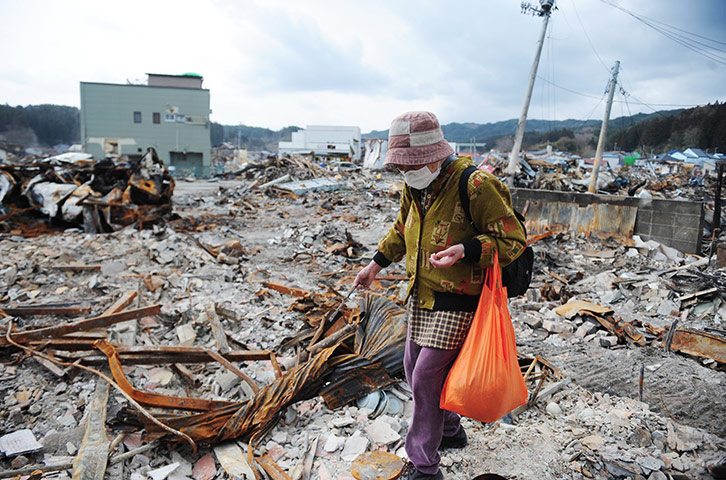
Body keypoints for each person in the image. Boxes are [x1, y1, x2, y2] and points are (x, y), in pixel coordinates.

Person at [355, 111, 526, 480]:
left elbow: (512, 241)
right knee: (412, 368)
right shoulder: (415, 186)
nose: (408, 172)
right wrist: (374, 266)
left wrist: (464, 250)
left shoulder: (477, 185)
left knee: (426, 377)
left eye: (412, 165)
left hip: (460, 297)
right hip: (423, 293)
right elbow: (402, 230)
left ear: (436, 154)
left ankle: (424, 466)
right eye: (402, 167)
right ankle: (450, 430)